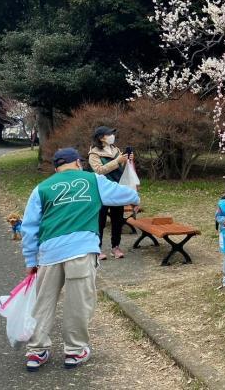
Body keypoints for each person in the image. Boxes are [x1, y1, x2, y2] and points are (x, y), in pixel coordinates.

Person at [21, 147, 140, 372]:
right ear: (78, 163)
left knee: (43, 303)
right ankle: (74, 351)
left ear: (56, 168)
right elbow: (127, 195)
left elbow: (29, 227)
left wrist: (30, 260)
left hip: (49, 254)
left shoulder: (41, 188)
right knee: (78, 303)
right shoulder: (94, 180)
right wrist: (135, 193)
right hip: (81, 250)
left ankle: (36, 351)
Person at [87, 126, 131, 260]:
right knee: (100, 221)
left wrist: (128, 160)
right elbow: (99, 170)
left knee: (118, 220)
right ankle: (97, 248)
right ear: (101, 138)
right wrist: (117, 161)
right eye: (109, 134)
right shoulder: (94, 154)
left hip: (117, 189)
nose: (112, 136)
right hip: (101, 191)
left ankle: (115, 247)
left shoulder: (116, 150)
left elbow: (121, 169)